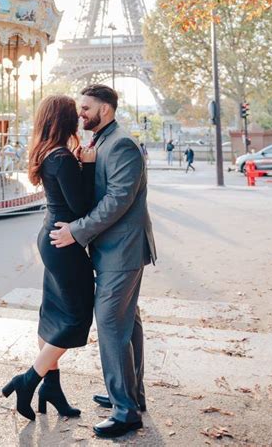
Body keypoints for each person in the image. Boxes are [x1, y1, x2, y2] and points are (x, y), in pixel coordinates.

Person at [50, 84, 157, 439]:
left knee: (111, 323)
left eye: (85, 109)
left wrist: (76, 231)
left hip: (122, 250)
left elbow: (118, 200)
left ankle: (125, 411)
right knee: (129, 323)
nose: (79, 114)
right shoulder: (103, 141)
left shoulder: (121, 143)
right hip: (114, 248)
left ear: (105, 110)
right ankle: (130, 395)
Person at [2, 95, 96, 420]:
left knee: (53, 314)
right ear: (65, 120)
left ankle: (52, 388)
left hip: (50, 238)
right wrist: (90, 164)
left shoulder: (47, 152)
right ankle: (28, 380)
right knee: (76, 317)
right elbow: (82, 206)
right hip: (64, 244)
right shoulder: (63, 158)